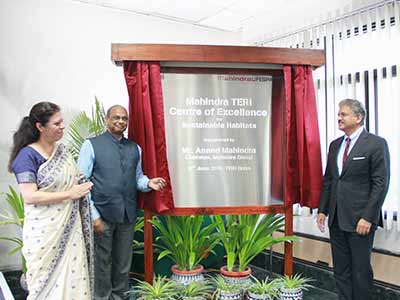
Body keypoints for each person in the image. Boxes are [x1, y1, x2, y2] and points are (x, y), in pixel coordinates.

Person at [78, 104, 166, 300]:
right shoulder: (91, 145)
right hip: (102, 215)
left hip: (127, 214)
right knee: (102, 262)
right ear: (106, 120)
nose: (120, 121)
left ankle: (120, 296)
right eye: (116, 117)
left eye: (124, 118)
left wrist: (149, 183)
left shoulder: (135, 148)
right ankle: (101, 298)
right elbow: (81, 183)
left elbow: (138, 178)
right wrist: (94, 216)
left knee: (123, 262)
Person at [8, 101, 94, 300]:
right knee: (44, 285)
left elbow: (76, 178)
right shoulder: (27, 156)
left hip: (70, 229)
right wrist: (69, 194)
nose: (62, 126)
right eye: (57, 123)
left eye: (62, 121)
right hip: (44, 234)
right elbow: (30, 196)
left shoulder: (62, 152)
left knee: (73, 279)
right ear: (40, 127)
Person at [316, 99, 390, 300]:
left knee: (360, 270)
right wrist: (322, 210)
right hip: (336, 218)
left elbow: (380, 184)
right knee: (341, 269)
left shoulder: (375, 144)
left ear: (358, 118)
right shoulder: (335, 145)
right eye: (339, 114)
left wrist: (368, 217)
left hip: (360, 220)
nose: (339, 117)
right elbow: (329, 180)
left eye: (344, 114)